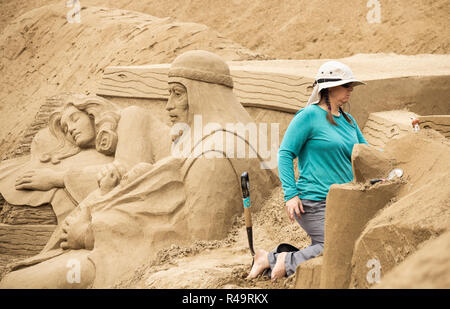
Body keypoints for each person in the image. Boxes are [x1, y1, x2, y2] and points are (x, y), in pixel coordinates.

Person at [0, 50, 277, 288]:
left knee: (13, 283)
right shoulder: (218, 143)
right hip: (115, 237)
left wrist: (91, 233)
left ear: (201, 95)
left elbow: (199, 242)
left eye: (177, 94)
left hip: (120, 255)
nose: (168, 105)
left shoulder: (213, 156)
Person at [247, 61, 368, 281]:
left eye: (351, 85)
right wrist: (290, 195)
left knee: (338, 243)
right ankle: (283, 260)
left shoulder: (350, 121)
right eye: (346, 85)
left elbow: (367, 153)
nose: (351, 89)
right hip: (314, 200)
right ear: (329, 88)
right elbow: (284, 154)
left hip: (341, 199)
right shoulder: (308, 116)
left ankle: (271, 258)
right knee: (336, 246)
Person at [0, 95, 170, 223]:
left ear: (92, 114)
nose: (71, 129)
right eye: (66, 129)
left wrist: (56, 178)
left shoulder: (131, 116)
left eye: (75, 119)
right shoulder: (104, 153)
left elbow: (129, 175)